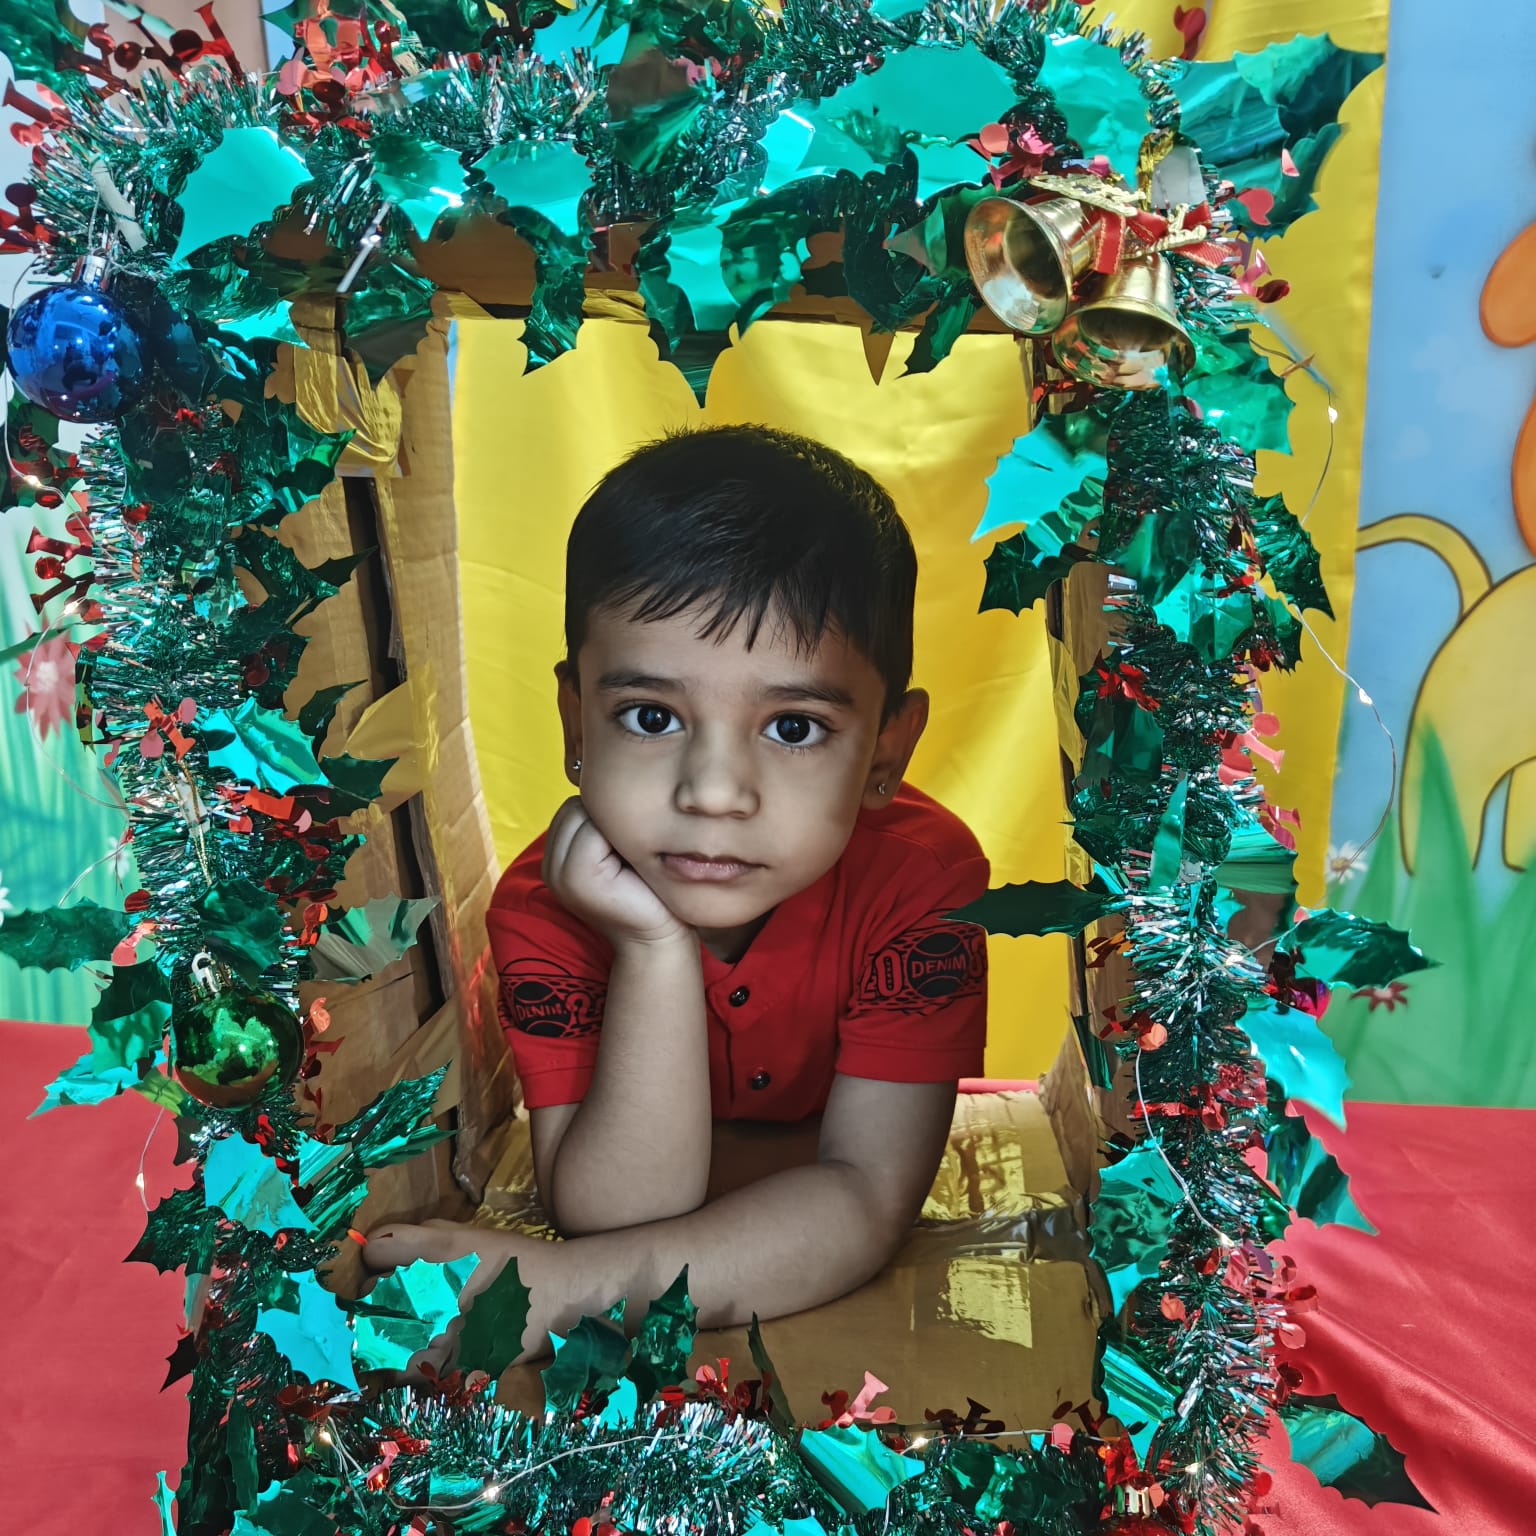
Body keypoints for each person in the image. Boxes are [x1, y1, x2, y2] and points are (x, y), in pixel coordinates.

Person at [365, 424, 991, 1368]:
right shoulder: (549, 905)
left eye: (793, 727)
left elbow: (868, 1199)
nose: (713, 792)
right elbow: (612, 1211)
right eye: (652, 717)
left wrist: (568, 1290)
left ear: (886, 752)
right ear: (577, 724)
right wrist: (651, 950)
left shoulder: (923, 882)